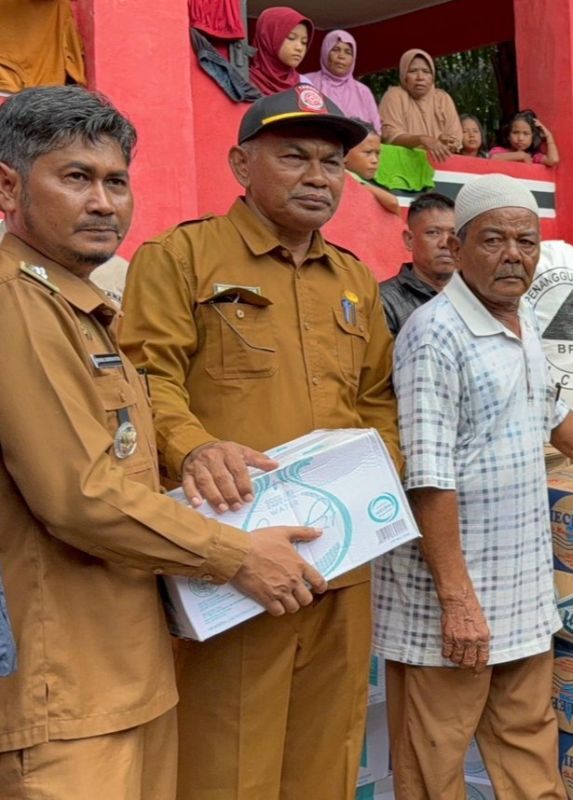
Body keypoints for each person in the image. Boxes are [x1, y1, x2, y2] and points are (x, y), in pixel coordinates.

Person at [0, 85, 320, 798]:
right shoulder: (19, 304)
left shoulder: (79, 308)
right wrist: (238, 555)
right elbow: (80, 496)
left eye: (116, 182)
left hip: (127, 669)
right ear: (9, 187)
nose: (103, 203)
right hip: (67, 693)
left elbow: (121, 459)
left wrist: (199, 452)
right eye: (76, 178)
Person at [119, 86, 403, 800]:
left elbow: (376, 398)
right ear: (241, 164)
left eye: (332, 163)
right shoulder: (182, 257)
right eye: (294, 157)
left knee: (329, 751)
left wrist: (378, 483)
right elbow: (145, 378)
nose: (318, 177)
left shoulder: (354, 280)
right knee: (226, 756)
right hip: (235, 556)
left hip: (341, 561)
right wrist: (192, 448)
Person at [375, 174, 573, 799]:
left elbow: (550, 410)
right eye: (494, 240)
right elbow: (427, 476)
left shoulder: (523, 317)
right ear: (457, 247)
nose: (513, 255)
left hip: (521, 590)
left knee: (529, 742)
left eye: (526, 242)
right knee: (434, 761)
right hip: (454, 599)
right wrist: (458, 602)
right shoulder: (434, 333)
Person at [380, 191, 457, 333]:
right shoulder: (382, 300)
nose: (445, 243)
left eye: (454, 234)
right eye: (433, 232)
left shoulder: (476, 296)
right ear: (409, 240)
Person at [379, 49, 463, 163]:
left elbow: (455, 138)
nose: (420, 77)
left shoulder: (442, 98)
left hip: (440, 166)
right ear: (404, 75)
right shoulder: (394, 95)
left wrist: (445, 143)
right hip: (401, 165)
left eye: (426, 71)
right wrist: (421, 139)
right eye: (413, 71)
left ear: (432, 76)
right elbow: (390, 136)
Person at [303, 29, 383, 136]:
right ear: (325, 52)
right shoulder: (307, 82)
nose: (341, 56)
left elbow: (376, 131)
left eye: (348, 52)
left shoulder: (363, 92)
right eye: (335, 49)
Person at [0, 0, 86, 93]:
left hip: (34, 89)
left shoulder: (59, 8)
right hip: (39, 90)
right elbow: (74, 64)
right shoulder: (59, 7)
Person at [247, 7, 312, 95]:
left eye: (304, 42)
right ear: (268, 39)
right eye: (291, 38)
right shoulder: (243, 80)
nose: (299, 48)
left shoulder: (305, 86)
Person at [345, 126, 406, 217]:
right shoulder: (345, 175)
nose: (375, 160)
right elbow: (392, 203)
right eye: (368, 152)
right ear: (344, 153)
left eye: (377, 153)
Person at [489, 109, 559, 166]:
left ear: (533, 137)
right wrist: (520, 155)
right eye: (515, 132)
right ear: (508, 135)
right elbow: (493, 158)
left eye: (526, 134)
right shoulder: (501, 151)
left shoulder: (534, 156)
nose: (520, 138)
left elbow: (553, 160)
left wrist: (548, 136)